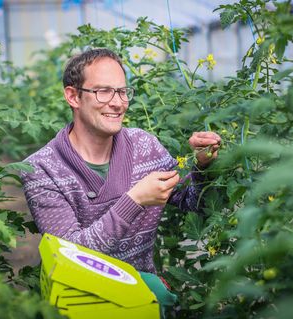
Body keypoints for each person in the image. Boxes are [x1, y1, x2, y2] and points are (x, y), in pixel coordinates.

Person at [21, 48, 221, 315]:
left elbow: (195, 201)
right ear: (73, 96)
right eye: (103, 91)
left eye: (122, 91)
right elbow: (73, 258)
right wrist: (134, 200)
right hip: (83, 304)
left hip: (142, 298)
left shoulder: (143, 146)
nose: (118, 102)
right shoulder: (41, 169)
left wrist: (202, 166)